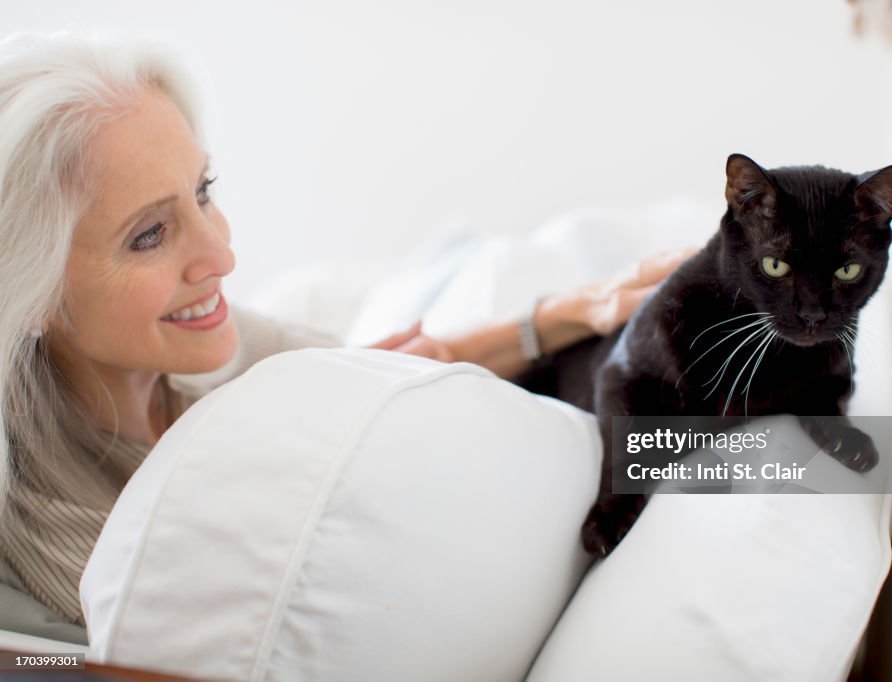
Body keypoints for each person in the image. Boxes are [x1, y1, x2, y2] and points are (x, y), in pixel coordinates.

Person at [0, 32, 686, 635]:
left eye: (203, 190)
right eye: (150, 235)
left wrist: (573, 309)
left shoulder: (216, 348)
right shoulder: (42, 533)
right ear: (30, 292)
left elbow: (389, 366)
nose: (223, 257)